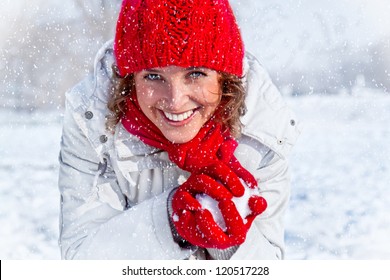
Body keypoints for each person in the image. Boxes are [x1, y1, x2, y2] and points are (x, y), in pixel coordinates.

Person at [58, 0, 300, 260]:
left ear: (223, 76)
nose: (175, 101)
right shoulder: (94, 124)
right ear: (130, 79)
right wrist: (170, 225)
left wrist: (230, 244)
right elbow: (80, 257)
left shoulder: (262, 132)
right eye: (153, 76)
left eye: (195, 73)